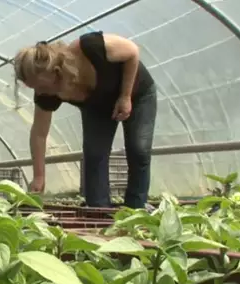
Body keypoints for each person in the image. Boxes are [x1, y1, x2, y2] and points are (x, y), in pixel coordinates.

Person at [13, 31, 157, 209]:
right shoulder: (46, 93)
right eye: (35, 88)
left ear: (55, 72)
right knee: (95, 153)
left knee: (138, 149)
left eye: (40, 86)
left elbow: (132, 51)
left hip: (137, 93)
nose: (40, 92)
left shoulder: (90, 47)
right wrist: (39, 176)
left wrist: (125, 96)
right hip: (97, 106)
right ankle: (98, 209)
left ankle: (137, 207)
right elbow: (39, 133)